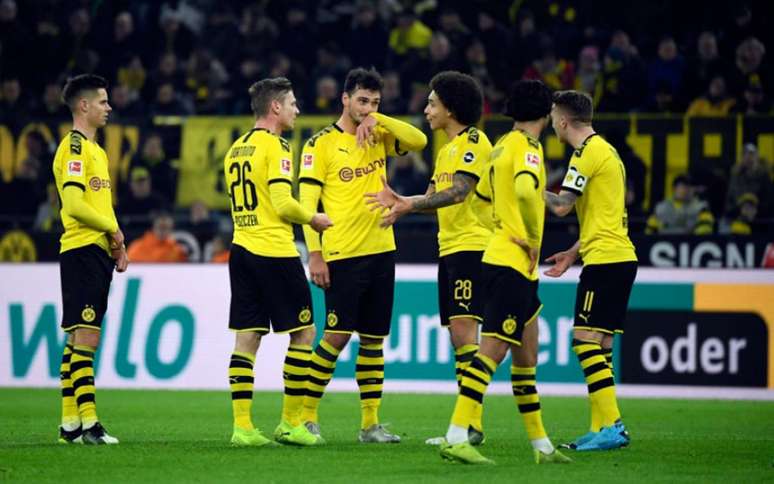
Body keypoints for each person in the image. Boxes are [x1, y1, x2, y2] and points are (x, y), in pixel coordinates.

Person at [434, 80, 571, 465]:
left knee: (527, 356)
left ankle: (542, 446)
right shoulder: (529, 147)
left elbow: (486, 194)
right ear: (545, 114)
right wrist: (528, 236)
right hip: (511, 260)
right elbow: (526, 192)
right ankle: (456, 435)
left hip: (509, 263)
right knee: (492, 350)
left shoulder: (500, 147)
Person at [297, 67, 427, 443]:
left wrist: (379, 118)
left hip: (382, 249)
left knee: (373, 340)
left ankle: (370, 424)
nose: (367, 107)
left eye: (374, 102)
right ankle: (306, 417)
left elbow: (418, 140)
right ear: (344, 98)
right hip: (343, 253)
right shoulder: (320, 144)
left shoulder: (379, 134)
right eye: (362, 101)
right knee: (335, 337)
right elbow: (307, 203)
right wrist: (316, 254)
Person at [364, 71, 493, 445]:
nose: (426, 109)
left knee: (467, 334)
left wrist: (408, 203)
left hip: (472, 247)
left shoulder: (474, 141)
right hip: (450, 248)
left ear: (450, 109)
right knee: (460, 337)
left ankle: (468, 426)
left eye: (432, 103)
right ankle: (468, 424)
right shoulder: (447, 150)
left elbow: (459, 192)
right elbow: (434, 196)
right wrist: (403, 205)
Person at [223, 77, 333, 447]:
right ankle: (290, 423)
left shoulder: (236, 148)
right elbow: (284, 203)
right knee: (303, 334)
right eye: (292, 104)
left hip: (240, 250)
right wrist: (314, 218)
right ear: (275, 108)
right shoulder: (278, 147)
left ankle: (242, 428)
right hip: (275, 252)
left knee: (247, 338)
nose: (296, 110)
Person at [544, 90, 637, 451]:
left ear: (564, 120)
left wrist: (527, 184)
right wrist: (571, 252)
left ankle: (612, 425)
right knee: (602, 343)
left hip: (606, 261)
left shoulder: (584, 155)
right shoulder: (607, 151)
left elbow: (563, 206)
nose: (552, 122)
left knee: (584, 341)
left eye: (553, 115)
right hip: (616, 256)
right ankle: (602, 428)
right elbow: (606, 218)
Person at [53, 74, 129, 445]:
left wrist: (115, 241)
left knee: (77, 342)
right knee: (86, 340)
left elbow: (97, 204)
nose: (108, 106)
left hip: (95, 250)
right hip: (82, 248)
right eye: (102, 101)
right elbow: (74, 205)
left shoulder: (97, 151)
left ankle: (69, 423)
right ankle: (90, 425)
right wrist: (114, 231)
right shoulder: (76, 148)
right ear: (83, 106)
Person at [646, 175, 714, 235]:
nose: (686, 190)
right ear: (674, 188)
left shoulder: (701, 207)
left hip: (690, 245)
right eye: (683, 186)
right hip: (663, 245)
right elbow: (650, 231)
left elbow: (705, 230)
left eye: (689, 187)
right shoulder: (661, 208)